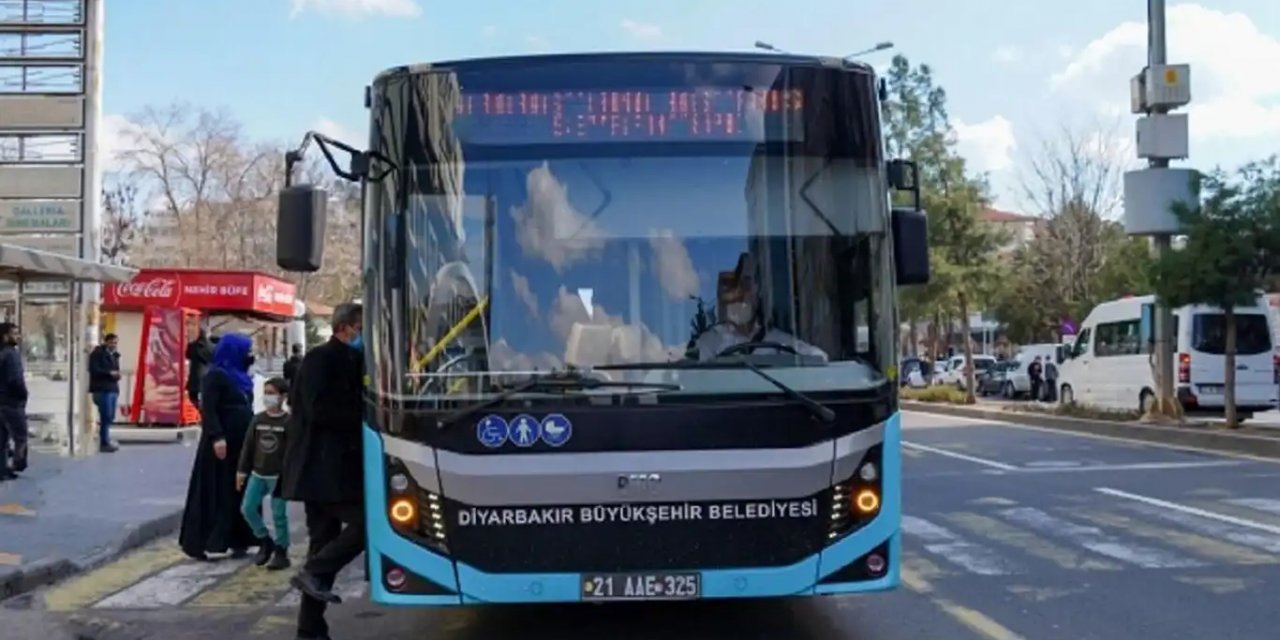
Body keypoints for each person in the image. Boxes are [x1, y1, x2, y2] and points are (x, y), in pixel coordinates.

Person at [280, 303, 365, 640]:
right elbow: (317, 410)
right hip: (320, 470)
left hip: (335, 470)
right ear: (344, 327)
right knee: (369, 524)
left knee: (323, 542)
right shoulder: (320, 359)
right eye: (360, 326)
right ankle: (314, 572)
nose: (363, 334)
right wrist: (363, 415)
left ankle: (310, 627)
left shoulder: (351, 358)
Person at [178, 333, 260, 561]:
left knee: (238, 489)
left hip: (241, 442)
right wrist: (217, 437)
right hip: (221, 444)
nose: (249, 355)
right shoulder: (214, 376)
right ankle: (200, 542)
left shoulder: (241, 377)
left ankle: (239, 538)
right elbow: (210, 410)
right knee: (215, 490)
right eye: (246, 350)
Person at [694, 254, 825, 361]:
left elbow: (819, 358)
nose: (739, 294)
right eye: (731, 287)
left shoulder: (778, 341)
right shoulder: (709, 342)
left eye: (746, 285)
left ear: (758, 291)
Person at [237, 376, 292, 571]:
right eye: (265, 393)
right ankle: (264, 540)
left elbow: (292, 452)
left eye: (272, 394)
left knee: (279, 515)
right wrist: (241, 471)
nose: (267, 397)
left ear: (283, 397)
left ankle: (282, 550)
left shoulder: (288, 422)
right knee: (248, 508)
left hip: (278, 477)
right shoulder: (258, 420)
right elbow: (248, 447)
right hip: (258, 474)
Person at [0, 322, 27, 479]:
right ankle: (18, 463)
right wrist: (23, 395)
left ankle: (2, 470)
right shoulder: (11, 354)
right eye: (14, 333)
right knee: (20, 436)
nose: (17, 336)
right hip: (11, 402)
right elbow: (15, 380)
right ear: (5, 336)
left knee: (2, 438)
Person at [88, 333, 122, 453]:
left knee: (110, 416)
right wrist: (109, 373)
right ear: (106, 342)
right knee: (106, 415)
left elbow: (116, 370)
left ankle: (104, 438)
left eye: (115, 343)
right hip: (102, 389)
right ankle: (104, 442)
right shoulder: (97, 354)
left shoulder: (115, 356)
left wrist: (117, 376)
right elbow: (94, 370)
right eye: (112, 342)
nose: (114, 345)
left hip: (112, 388)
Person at [186, 329, 213, 408]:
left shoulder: (193, 346)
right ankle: (201, 410)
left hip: (194, 374)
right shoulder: (210, 346)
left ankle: (196, 409)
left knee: (193, 396)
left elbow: (187, 355)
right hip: (205, 374)